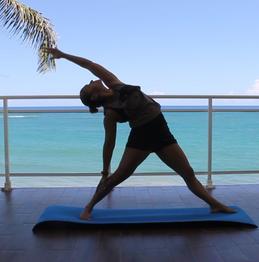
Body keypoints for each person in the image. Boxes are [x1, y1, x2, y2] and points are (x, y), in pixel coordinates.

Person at [44, 47, 236, 220]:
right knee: (116, 177)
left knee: (188, 173)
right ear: (94, 96)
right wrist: (104, 170)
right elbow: (109, 142)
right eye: (89, 85)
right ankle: (88, 208)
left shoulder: (113, 83)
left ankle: (215, 205)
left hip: (161, 130)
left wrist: (62, 55)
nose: (92, 80)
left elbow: (88, 65)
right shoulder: (110, 114)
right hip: (141, 137)